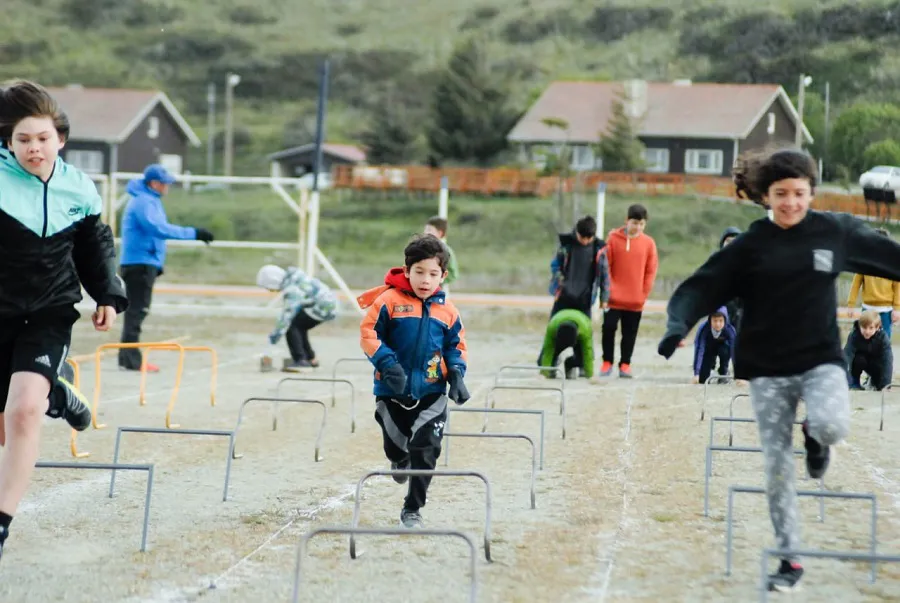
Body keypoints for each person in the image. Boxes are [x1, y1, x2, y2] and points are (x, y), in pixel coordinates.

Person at [657, 147, 900, 592]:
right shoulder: (750, 246)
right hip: (768, 370)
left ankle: (813, 436)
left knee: (831, 424)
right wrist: (678, 325)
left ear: (812, 193)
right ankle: (790, 560)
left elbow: (889, 256)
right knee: (776, 469)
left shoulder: (834, 232)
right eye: (781, 194)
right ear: (767, 196)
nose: (791, 203)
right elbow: (703, 283)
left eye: (799, 193)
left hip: (820, 360)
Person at [0, 80, 128, 562]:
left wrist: (109, 295)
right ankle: (57, 391)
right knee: (5, 423)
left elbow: (95, 248)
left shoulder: (79, 187)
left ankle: (1, 522)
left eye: (42, 138)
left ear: (61, 140)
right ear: (7, 142)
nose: (34, 148)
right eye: (22, 139)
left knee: (23, 411)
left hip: (50, 312)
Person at [358, 234, 469, 529]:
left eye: (433, 274)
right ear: (407, 271)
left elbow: (455, 346)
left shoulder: (448, 311)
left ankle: (412, 508)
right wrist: (386, 363)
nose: (425, 280)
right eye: (419, 272)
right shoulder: (388, 302)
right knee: (396, 448)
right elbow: (369, 334)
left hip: (433, 391)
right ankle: (398, 457)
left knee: (427, 447)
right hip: (392, 392)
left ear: (443, 276)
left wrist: (457, 373)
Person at [117, 164, 214, 371]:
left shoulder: (149, 200)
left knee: (136, 309)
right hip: (140, 263)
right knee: (138, 310)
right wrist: (194, 233)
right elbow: (158, 228)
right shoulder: (144, 202)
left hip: (143, 262)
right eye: (164, 183)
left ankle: (126, 356)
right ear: (154, 183)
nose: (168, 187)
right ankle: (132, 359)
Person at [600, 204, 658, 378]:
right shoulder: (612, 239)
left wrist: (643, 293)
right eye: (634, 223)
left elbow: (651, 270)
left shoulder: (649, 243)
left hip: (635, 300)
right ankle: (607, 362)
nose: (637, 227)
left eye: (641, 224)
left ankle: (625, 364)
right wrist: (608, 290)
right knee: (608, 329)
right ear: (627, 221)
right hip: (613, 298)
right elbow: (606, 266)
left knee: (630, 333)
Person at [256, 264, 338, 372]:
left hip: (323, 307)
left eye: (269, 288)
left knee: (292, 325)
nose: (270, 291)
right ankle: (311, 359)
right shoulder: (295, 278)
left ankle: (301, 361)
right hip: (329, 304)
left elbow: (286, 317)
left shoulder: (292, 289)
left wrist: (274, 338)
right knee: (300, 326)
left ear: (273, 281)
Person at [548, 215, 610, 318]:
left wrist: (604, 298)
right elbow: (555, 265)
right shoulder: (566, 245)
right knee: (555, 327)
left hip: (585, 299)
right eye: (582, 237)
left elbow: (605, 276)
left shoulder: (599, 250)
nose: (585, 241)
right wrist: (560, 282)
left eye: (588, 238)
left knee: (583, 331)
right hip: (564, 296)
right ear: (577, 232)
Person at [846, 228, 900, 339]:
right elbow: (856, 284)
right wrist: (851, 305)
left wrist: (897, 309)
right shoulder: (865, 263)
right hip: (868, 308)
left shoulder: (892, 264)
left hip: (886, 310)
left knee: (884, 340)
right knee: (865, 339)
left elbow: (897, 287)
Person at [843, 310, 893, 391]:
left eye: (871, 328)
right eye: (864, 327)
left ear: (877, 327)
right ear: (859, 326)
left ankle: (874, 381)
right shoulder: (854, 335)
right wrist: (846, 380)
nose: (867, 331)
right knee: (858, 359)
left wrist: (886, 385)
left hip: (876, 364)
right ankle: (855, 382)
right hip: (861, 361)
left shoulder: (883, 338)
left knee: (880, 384)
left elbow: (887, 360)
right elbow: (847, 355)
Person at [538, 309, 594, 379]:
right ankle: (552, 368)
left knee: (583, 359)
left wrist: (590, 375)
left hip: (580, 331)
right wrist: (544, 373)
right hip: (558, 326)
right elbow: (548, 350)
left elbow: (588, 353)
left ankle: (573, 365)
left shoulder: (585, 330)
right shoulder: (552, 328)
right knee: (541, 362)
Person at [692, 306, 736, 384]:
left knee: (725, 350)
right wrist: (696, 373)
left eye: (720, 321)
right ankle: (708, 370)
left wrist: (739, 375)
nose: (718, 324)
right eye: (715, 321)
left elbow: (734, 351)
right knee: (703, 380)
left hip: (723, 349)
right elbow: (699, 350)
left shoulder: (730, 330)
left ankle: (723, 371)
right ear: (710, 320)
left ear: (725, 321)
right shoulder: (703, 329)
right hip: (708, 349)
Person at [423, 216, 459, 288]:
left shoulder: (446, 251)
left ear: (440, 233)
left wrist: (436, 280)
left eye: (429, 230)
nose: (425, 232)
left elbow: (453, 274)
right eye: (425, 229)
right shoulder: (420, 247)